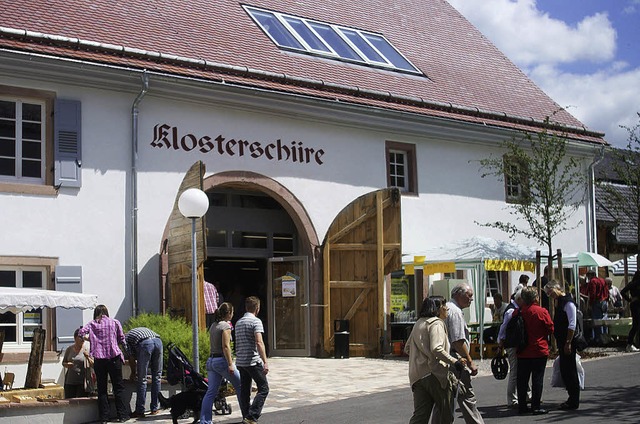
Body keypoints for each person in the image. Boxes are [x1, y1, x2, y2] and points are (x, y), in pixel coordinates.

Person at [405, 296, 466, 424]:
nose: (447, 308)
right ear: (437, 309)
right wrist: (455, 361)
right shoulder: (436, 323)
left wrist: (421, 355)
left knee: (420, 416)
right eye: (444, 305)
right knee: (446, 414)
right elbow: (436, 348)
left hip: (417, 375)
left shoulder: (419, 323)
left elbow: (407, 348)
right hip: (434, 374)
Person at [433, 283, 485, 424]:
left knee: (445, 398)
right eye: (469, 295)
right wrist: (470, 362)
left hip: (447, 359)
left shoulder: (449, 308)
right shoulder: (454, 311)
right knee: (467, 397)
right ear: (458, 294)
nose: (471, 299)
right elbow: (458, 341)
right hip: (456, 359)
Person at [79, 304, 129, 423]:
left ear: (95, 313)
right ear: (107, 312)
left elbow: (81, 333)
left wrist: (90, 339)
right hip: (114, 357)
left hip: (99, 359)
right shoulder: (115, 322)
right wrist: (127, 353)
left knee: (101, 389)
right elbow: (122, 339)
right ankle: (122, 415)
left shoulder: (92, 324)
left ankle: (104, 418)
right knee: (118, 387)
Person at [201, 302, 243, 424]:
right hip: (221, 361)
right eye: (232, 312)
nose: (233, 314)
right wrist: (230, 363)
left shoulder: (214, 325)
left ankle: (205, 420)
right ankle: (248, 414)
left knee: (211, 392)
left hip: (211, 361)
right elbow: (226, 346)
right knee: (240, 386)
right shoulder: (226, 326)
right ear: (229, 313)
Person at [516, 286, 554, 415]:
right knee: (537, 379)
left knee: (522, 380)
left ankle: (522, 406)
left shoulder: (518, 312)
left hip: (522, 351)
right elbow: (550, 328)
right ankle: (536, 406)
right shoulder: (541, 311)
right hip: (538, 349)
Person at [544, 280, 580, 410]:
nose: (550, 295)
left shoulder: (568, 302)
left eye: (550, 292)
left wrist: (568, 342)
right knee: (565, 369)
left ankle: (574, 399)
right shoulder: (559, 301)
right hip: (562, 341)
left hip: (568, 341)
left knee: (570, 370)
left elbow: (572, 324)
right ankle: (571, 397)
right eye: (548, 294)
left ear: (556, 288)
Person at [235, 296, 269, 424]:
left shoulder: (238, 322)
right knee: (264, 388)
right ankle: (252, 416)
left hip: (241, 361)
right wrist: (265, 361)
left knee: (245, 390)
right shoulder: (256, 322)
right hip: (252, 361)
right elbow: (259, 342)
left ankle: (246, 415)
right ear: (257, 308)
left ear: (246, 307)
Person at [497, 288, 529, 408]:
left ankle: (527, 395)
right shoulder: (511, 310)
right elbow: (503, 327)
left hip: (515, 344)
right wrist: (500, 343)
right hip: (512, 344)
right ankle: (512, 399)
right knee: (515, 371)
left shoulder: (516, 309)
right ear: (519, 299)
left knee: (522, 370)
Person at [126, 327, 163, 418]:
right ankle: (155, 408)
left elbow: (131, 358)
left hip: (146, 343)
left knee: (142, 379)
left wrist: (133, 373)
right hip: (158, 341)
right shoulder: (133, 333)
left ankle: (140, 410)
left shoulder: (125, 339)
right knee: (157, 377)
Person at [62, 328, 93, 398]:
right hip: (70, 382)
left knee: (82, 403)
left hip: (83, 383)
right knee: (70, 403)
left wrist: (88, 357)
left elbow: (94, 365)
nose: (82, 339)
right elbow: (63, 362)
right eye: (80, 337)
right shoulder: (69, 349)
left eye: (83, 337)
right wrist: (67, 365)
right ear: (75, 338)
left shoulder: (88, 349)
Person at [620, 270, 640, 352]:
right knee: (636, 324)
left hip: (634, 304)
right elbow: (623, 292)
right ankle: (630, 344)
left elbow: (623, 292)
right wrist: (630, 299)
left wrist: (629, 299)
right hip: (636, 305)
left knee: (636, 324)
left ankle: (630, 344)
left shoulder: (633, 283)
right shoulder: (636, 283)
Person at [586, 270, 608, 340]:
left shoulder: (593, 281)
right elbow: (607, 291)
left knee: (597, 321)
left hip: (596, 302)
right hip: (604, 301)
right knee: (605, 321)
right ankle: (605, 337)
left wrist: (590, 304)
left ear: (590, 275)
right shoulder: (602, 280)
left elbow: (593, 293)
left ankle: (599, 338)